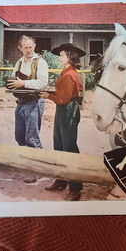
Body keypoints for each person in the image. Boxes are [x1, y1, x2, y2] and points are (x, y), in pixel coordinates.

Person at [40, 43, 86, 201]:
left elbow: (63, 99)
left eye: (62, 55)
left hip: (68, 110)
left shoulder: (69, 74)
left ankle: (75, 188)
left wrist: (48, 96)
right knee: (59, 145)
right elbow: (63, 95)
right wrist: (53, 94)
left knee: (69, 148)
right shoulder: (67, 72)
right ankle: (61, 180)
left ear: (69, 57)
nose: (59, 57)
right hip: (63, 110)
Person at [7, 35, 48, 183]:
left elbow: (43, 84)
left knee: (32, 137)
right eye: (26, 47)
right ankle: (25, 167)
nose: (29, 50)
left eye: (31, 47)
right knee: (20, 136)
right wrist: (13, 84)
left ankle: (37, 170)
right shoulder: (19, 62)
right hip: (21, 103)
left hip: (34, 102)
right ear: (20, 49)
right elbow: (12, 78)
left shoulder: (40, 62)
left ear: (35, 46)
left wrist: (23, 83)